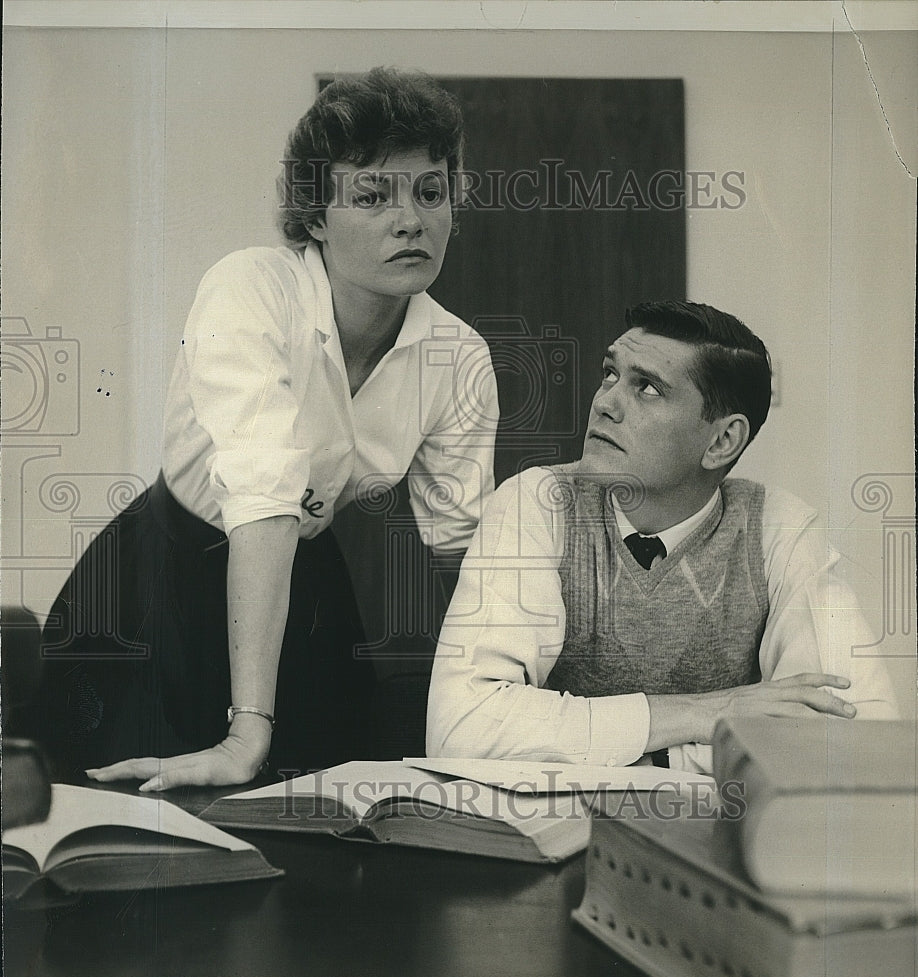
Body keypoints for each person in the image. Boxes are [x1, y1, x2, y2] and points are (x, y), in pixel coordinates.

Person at [39, 67, 498, 791]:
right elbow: (263, 493)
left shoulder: (460, 356)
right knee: (125, 820)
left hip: (303, 579)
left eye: (431, 192)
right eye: (374, 196)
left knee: (312, 824)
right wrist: (247, 728)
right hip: (158, 579)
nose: (410, 220)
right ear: (316, 217)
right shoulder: (248, 287)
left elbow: (463, 551)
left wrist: (501, 707)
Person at [426, 301, 897, 774]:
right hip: (555, 837)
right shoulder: (537, 502)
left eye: (646, 387)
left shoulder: (779, 529)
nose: (604, 403)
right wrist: (709, 713)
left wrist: (656, 756)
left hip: (705, 843)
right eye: (610, 374)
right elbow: (461, 729)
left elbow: (859, 740)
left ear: (721, 442)